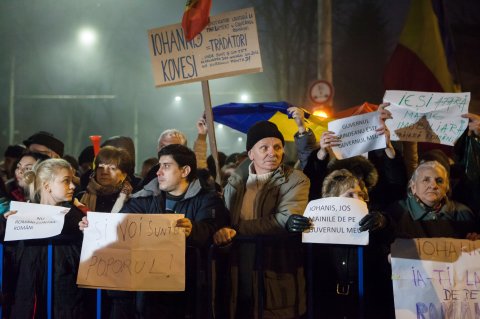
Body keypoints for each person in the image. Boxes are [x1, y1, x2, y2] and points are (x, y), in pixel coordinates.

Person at [79, 144, 229, 318]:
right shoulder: (144, 198)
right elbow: (121, 225)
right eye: (159, 166)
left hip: (188, 294)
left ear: (185, 170)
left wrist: (193, 230)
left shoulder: (207, 200)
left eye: (166, 166)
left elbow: (213, 229)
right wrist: (94, 227)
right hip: (146, 294)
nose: (158, 172)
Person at [213, 120, 311, 319]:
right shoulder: (234, 182)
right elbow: (224, 223)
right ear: (251, 154)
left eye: (277, 147)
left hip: (275, 271)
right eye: (264, 147)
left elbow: (284, 219)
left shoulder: (296, 180)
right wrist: (223, 235)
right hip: (238, 273)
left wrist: (237, 230)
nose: (272, 153)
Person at [1, 159, 93, 318]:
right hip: (28, 301)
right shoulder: (19, 217)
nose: (73, 186)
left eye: (72, 181)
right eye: (66, 181)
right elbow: (10, 261)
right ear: (46, 185)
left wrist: (88, 235)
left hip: (65, 303)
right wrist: (5, 226)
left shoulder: (80, 218)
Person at [311, 169, 394, 319]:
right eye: (350, 194)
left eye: (361, 194)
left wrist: (382, 221)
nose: (358, 199)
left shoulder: (373, 225)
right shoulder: (316, 228)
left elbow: (391, 234)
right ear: (332, 200)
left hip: (366, 306)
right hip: (328, 305)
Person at [386, 160, 479, 238]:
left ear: (446, 188)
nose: (433, 185)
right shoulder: (397, 212)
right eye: (426, 180)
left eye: (439, 181)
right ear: (413, 187)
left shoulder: (463, 213)